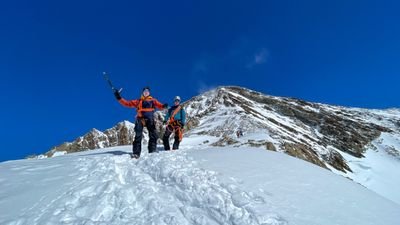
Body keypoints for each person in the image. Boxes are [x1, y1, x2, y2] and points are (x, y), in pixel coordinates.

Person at [114, 86, 167, 159]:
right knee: (138, 135)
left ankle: (152, 150)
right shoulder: (138, 101)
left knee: (153, 134)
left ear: (149, 93)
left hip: (150, 119)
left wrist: (163, 106)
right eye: (145, 91)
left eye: (147, 91)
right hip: (140, 118)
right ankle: (136, 153)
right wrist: (119, 98)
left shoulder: (153, 100)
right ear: (142, 92)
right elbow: (127, 103)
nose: (146, 92)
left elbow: (160, 105)